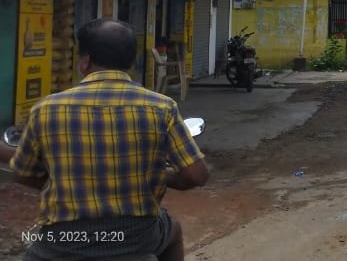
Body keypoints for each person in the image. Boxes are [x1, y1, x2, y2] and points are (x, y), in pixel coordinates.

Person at [7, 19, 208, 261]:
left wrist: (62, 184)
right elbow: (197, 175)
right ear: (131, 62)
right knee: (173, 229)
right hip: (137, 236)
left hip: (61, 242)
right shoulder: (162, 107)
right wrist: (163, 176)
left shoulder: (46, 109)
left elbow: (23, 173)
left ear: (85, 61)